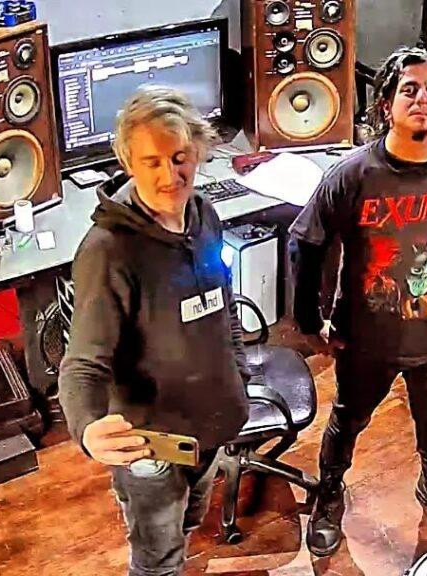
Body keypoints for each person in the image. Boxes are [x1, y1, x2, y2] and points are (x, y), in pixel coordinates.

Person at [290, 46, 427, 556]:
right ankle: (329, 492)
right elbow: (307, 242)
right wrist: (309, 319)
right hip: (366, 339)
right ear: (386, 103)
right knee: (348, 418)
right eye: (409, 90)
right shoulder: (353, 174)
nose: (421, 99)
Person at [58, 85, 251, 576]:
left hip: (209, 427)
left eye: (180, 157)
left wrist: (238, 373)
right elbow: (82, 364)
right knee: (157, 559)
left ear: (199, 151)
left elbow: (224, 303)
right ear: (128, 162)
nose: (170, 176)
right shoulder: (108, 251)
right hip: (151, 446)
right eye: (152, 162)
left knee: (188, 525)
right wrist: (87, 428)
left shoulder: (204, 214)